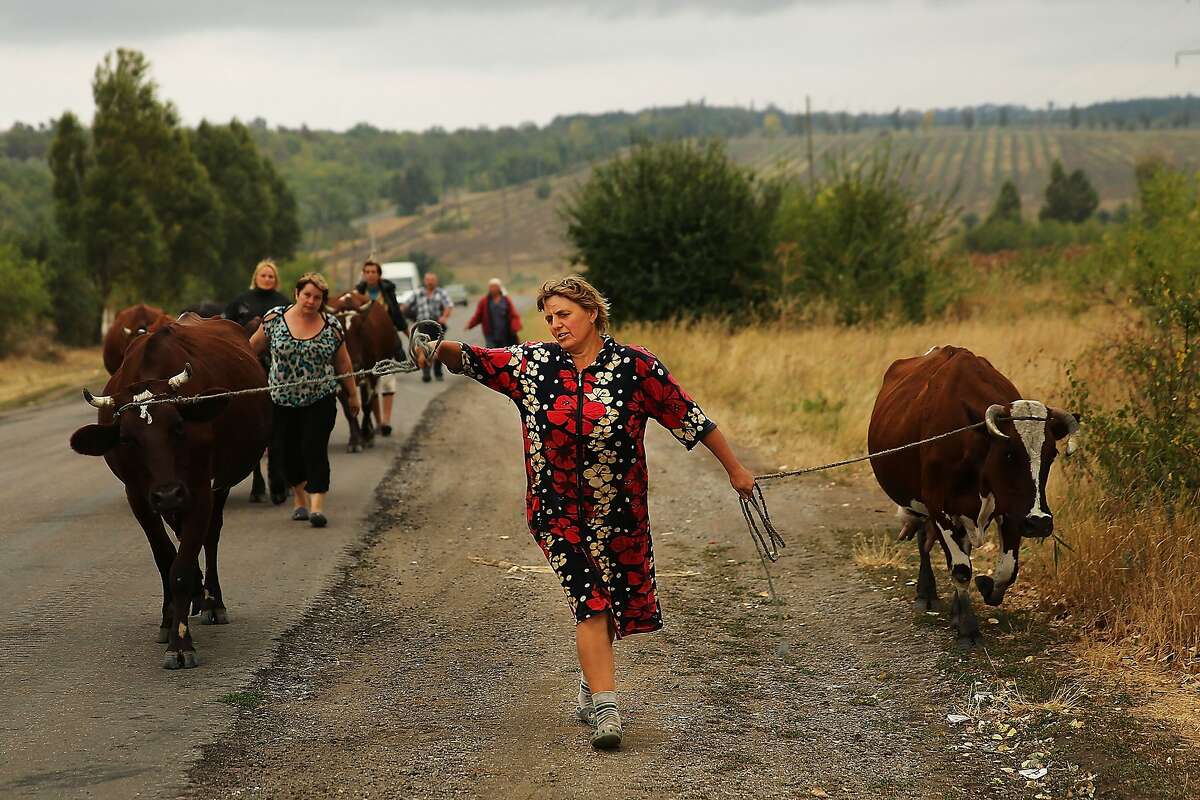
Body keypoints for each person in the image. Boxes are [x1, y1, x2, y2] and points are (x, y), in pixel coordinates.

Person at [415, 275, 755, 751]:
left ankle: (590, 685)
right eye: (549, 317)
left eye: (564, 314)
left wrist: (736, 469)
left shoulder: (637, 369)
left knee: (612, 598)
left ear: (592, 312)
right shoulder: (533, 364)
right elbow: (476, 359)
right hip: (555, 512)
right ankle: (607, 707)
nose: (556, 325)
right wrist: (434, 347)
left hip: (619, 511)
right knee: (590, 599)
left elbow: (691, 417)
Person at [249, 272, 359, 529]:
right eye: (307, 295)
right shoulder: (274, 319)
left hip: (319, 399)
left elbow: (343, 362)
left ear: (323, 300)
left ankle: (317, 506)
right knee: (288, 453)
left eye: (317, 297)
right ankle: (299, 499)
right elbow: (251, 348)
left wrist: (352, 393)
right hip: (281, 400)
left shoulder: (331, 325)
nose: (311, 301)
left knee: (315, 448)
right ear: (297, 293)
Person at [224, 260, 291, 503]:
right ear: (256, 277)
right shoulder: (240, 301)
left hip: (278, 366)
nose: (267, 279)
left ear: (276, 280)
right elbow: (225, 327)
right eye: (264, 275)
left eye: (271, 276)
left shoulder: (284, 302)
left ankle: (280, 477)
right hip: (245, 362)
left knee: (277, 424)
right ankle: (256, 478)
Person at [354, 259, 406, 436]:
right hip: (366, 344)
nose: (370, 275)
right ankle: (377, 422)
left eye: (373, 271)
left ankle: (386, 420)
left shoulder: (387, 291)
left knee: (388, 379)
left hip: (386, 339)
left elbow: (397, 316)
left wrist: (411, 336)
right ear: (363, 274)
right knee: (370, 382)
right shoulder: (357, 293)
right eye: (367, 271)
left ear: (379, 274)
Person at [402, 272, 453, 383]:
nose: (430, 282)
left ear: (436, 281)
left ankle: (438, 371)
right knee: (423, 348)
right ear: (424, 281)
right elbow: (406, 305)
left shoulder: (441, 293)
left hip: (437, 325)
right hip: (423, 326)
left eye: (432, 280)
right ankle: (426, 372)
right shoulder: (418, 293)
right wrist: (400, 312)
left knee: (438, 348)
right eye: (428, 280)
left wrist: (444, 316)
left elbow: (448, 306)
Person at [466, 278, 522, 347]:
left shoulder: (506, 300)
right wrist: (470, 324)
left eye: (494, 287)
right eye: (490, 287)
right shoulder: (484, 301)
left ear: (499, 288)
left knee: (505, 353)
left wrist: (515, 327)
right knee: (491, 354)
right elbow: (478, 315)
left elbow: (513, 314)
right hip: (491, 336)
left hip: (505, 334)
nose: (492, 289)